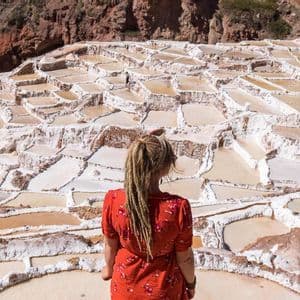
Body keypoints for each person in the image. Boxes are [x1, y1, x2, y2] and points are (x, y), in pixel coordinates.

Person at [101, 130, 196, 299]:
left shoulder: (113, 200)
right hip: (164, 290)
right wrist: (191, 284)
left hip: (125, 288)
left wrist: (108, 270)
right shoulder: (178, 208)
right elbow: (185, 258)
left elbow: (110, 245)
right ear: (165, 168)